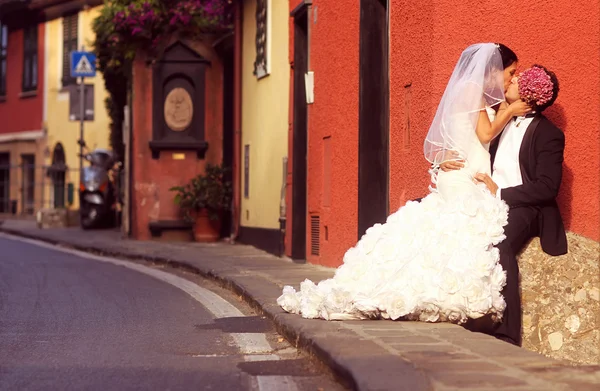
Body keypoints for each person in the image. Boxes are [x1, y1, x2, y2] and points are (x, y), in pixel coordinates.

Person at [277, 43, 532, 324]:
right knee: (454, 235)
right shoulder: (472, 91)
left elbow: (456, 135)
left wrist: (446, 157)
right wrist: (510, 110)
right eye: (511, 72)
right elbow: (484, 134)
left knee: (437, 236)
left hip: (463, 174)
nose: (512, 78)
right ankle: (426, 291)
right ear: (493, 70)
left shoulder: (472, 93)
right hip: (462, 179)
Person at [443, 64, 567, 346]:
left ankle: (507, 333)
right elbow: (465, 145)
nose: (509, 81)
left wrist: (501, 193)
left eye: (517, 80)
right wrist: (444, 163)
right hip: (483, 197)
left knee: (498, 241)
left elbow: (547, 188)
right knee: (432, 217)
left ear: (529, 93)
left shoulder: (549, 134)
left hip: (524, 206)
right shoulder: (497, 120)